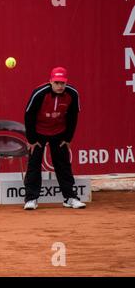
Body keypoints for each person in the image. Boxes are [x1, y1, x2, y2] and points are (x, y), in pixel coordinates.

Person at [23, 66, 86, 210]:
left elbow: (72, 116)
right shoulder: (39, 93)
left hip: (59, 132)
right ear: (50, 81)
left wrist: (68, 138)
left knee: (63, 165)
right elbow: (29, 115)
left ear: (66, 82)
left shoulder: (73, 94)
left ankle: (70, 197)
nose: (60, 86)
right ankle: (31, 199)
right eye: (57, 82)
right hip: (39, 133)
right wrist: (32, 140)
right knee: (34, 165)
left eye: (62, 83)